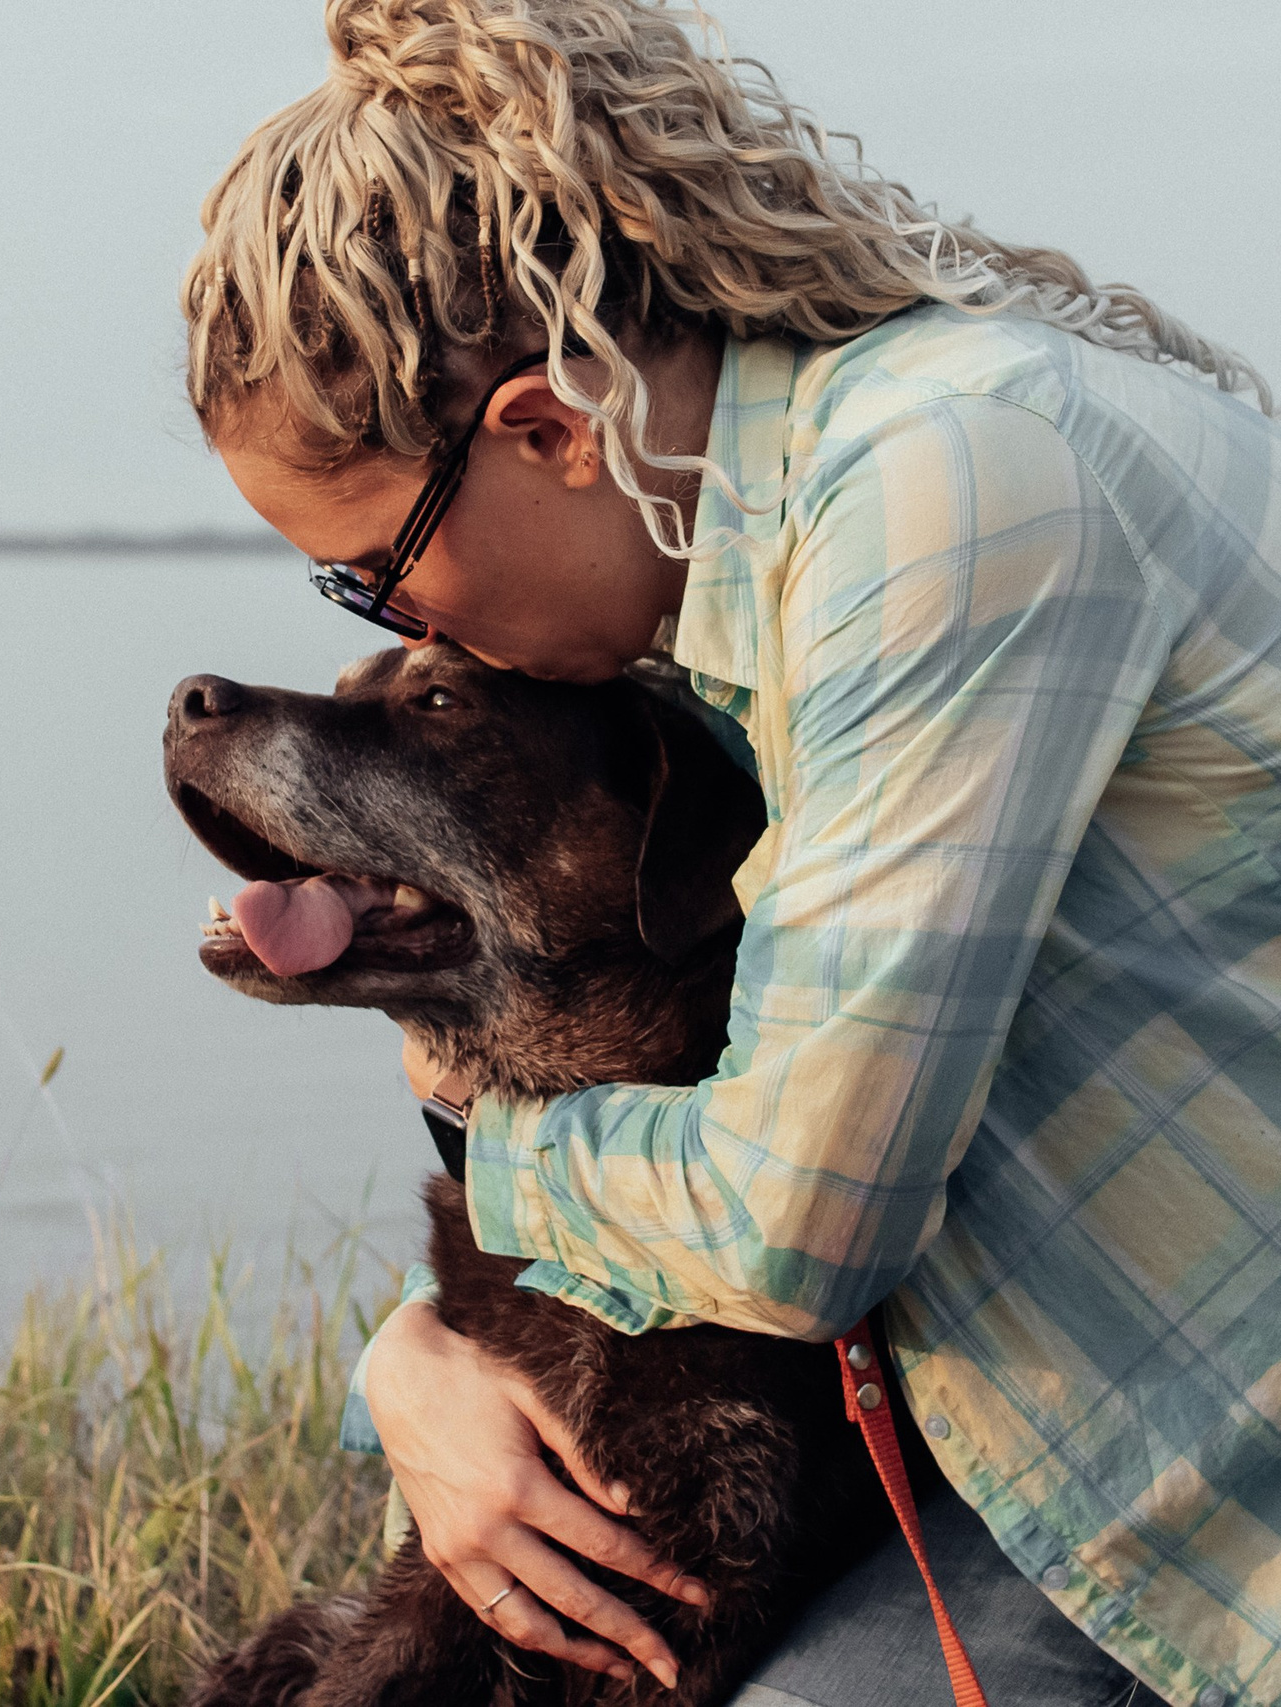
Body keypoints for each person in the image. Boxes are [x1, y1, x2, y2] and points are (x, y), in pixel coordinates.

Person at [179, 3, 1281, 1704]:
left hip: (1208, 1494)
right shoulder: (768, 559)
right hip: (1058, 1410)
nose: (398, 631)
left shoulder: (949, 493)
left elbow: (797, 1224)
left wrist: (498, 1159)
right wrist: (414, 1361)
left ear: (548, 431)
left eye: (375, 575)